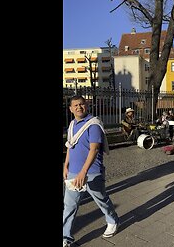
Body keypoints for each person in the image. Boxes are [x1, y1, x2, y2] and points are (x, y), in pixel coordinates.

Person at [63, 95, 119, 247]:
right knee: (69, 206)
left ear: (86, 105)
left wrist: (83, 172)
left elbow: (94, 150)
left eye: (81, 104)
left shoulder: (93, 124)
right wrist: (66, 164)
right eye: (75, 105)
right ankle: (66, 238)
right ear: (70, 109)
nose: (79, 107)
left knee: (101, 200)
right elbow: (70, 145)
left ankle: (113, 220)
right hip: (74, 172)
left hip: (92, 172)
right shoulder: (72, 124)